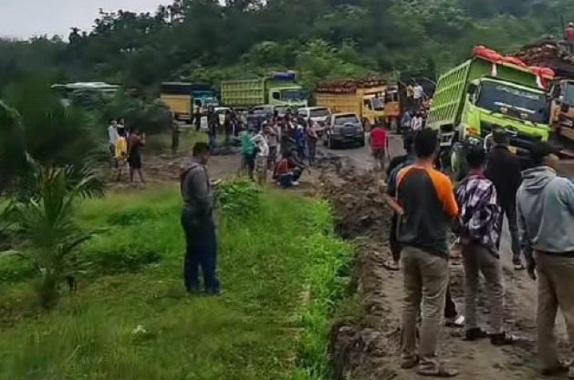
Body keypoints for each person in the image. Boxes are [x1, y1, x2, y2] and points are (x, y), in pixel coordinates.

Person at [386, 128, 459, 377]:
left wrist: (404, 213)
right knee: (431, 307)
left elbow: (393, 199)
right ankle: (428, 362)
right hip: (433, 250)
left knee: (409, 302)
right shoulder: (441, 180)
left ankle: (407, 355)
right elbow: (452, 211)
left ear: (415, 148)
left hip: (407, 248)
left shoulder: (402, 174)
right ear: (436, 149)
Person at [516, 142, 574, 377]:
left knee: (545, 310)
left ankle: (549, 360)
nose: (558, 158)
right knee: (572, 311)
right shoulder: (559, 185)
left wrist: (529, 259)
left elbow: (523, 231)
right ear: (547, 159)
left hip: (541, 256)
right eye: (555, 155)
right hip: (566, 256)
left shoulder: (522, 189)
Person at [455, 145, 516, 346]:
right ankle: (497, 331)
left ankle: (470, 327)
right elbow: (486, 215)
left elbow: (455, 215)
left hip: (466, 245)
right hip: (482, 243)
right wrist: (472, 233)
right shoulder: (487, 186)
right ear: (485, 163)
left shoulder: (462, 186)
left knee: (470, 284)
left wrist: (462, 235)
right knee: (496, 286)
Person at [180, 142, 220, 295]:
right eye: (208, 155)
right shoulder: (198, 171)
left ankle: (192, 285)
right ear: (203, 153)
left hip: (189, 213)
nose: (208, 158)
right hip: (198, 215)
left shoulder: (188, 167)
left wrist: (210, 185)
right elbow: (202, 198)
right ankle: (211, 286)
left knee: (193, 252)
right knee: (208, 250)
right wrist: (213, 196)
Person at [484, 128, 524, 270]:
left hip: (496, 197)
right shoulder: (513, 158)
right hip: (511, 198)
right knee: (514, 228)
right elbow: (518, 180)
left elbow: (486, 177)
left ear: (494, 140)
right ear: (506, 141)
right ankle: (517, 258)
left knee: (496, 226)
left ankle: (494, 253)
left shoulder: (490, 157)